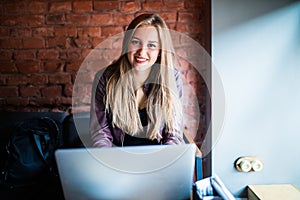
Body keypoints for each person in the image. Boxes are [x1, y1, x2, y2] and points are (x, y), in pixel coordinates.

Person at [90, 13, 185, 147]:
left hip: (159, 158)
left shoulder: (172, 78)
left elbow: (173, 134)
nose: (141, 52)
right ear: (127, 43)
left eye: (151, 45)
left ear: (160, 51)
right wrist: (106, 160)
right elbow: (101, 134)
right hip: (119, 158)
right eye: (135, 42)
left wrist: (166, 161)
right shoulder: (105, 78)